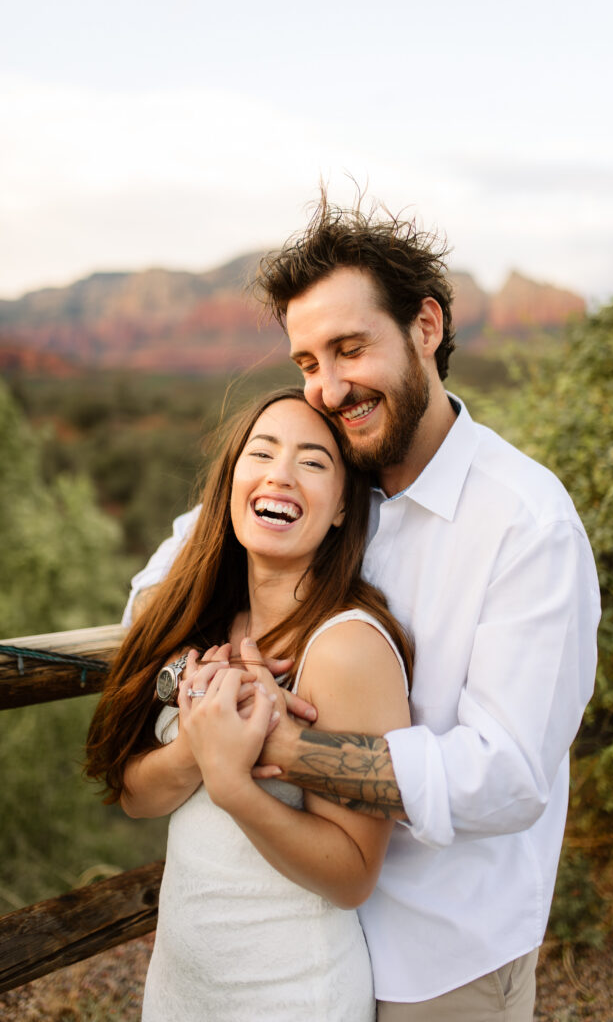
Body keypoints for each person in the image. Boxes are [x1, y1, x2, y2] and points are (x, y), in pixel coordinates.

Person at [125, 195, 601, 1021]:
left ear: (425, 326)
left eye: (350, 348)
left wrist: (278, 743)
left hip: (441, 955)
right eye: (308, 360)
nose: (329, 387)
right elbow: (151, 601)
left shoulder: (527, 521)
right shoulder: (320, 471)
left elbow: (510, 775)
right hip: (296, 931)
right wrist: (206, 687)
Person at [86, 387, 413, 1022]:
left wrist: (236, 785)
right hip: (183, 986)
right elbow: (135, 796)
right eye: (261, 453)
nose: (280, 474)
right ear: (232, 482)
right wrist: (197, 746)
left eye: (314, 462)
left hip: (291, 994)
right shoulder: (208, 627)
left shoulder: (346, 648)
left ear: (344, 507)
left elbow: (352, 876)